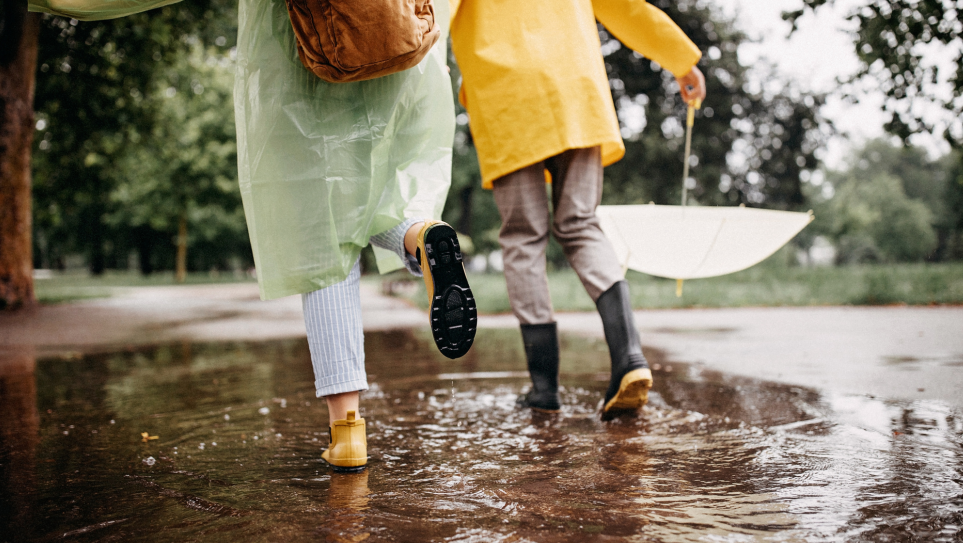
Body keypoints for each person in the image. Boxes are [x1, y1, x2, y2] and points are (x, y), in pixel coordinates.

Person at [234, 0, 474, 472]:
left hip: (305, 48)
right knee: (389, 191)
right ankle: (417, 235)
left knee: (323, 234)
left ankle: (348, 436)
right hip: (401, 42)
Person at [449, 0, 706, 416]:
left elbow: (425, 12)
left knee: (523, 236)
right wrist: (680, 60)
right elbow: (626, 7)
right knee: (581, 223)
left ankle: (544, 388)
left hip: (505, 93)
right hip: (576, 89)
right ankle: (629, 357)